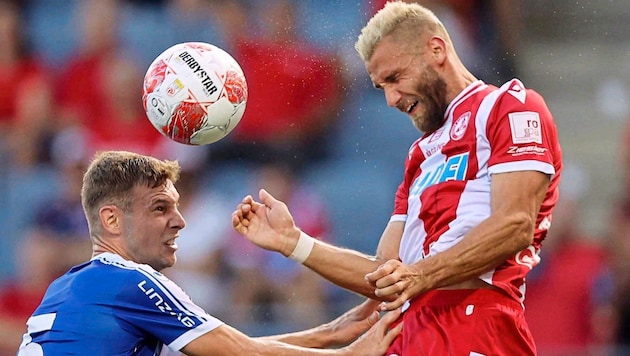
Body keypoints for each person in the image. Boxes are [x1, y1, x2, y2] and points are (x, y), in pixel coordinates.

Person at [232, 1, 563, 355]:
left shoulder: (509, 107)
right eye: (380, 87)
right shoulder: (420, 155)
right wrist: (294, 242)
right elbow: (383, 276)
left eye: (395, 78)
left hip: (477, 324)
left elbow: (515, 224)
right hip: (409, 332)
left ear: (436, 50)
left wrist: (422, 276)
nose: (390, 98)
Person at [18, 151, 401, 355]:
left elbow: (227, 350)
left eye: (177, 206)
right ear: (112, 220)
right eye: (159, 208)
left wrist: (328, 334)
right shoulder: (131, 282)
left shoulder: (66, 287)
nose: (180, 221)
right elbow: (242, 355)